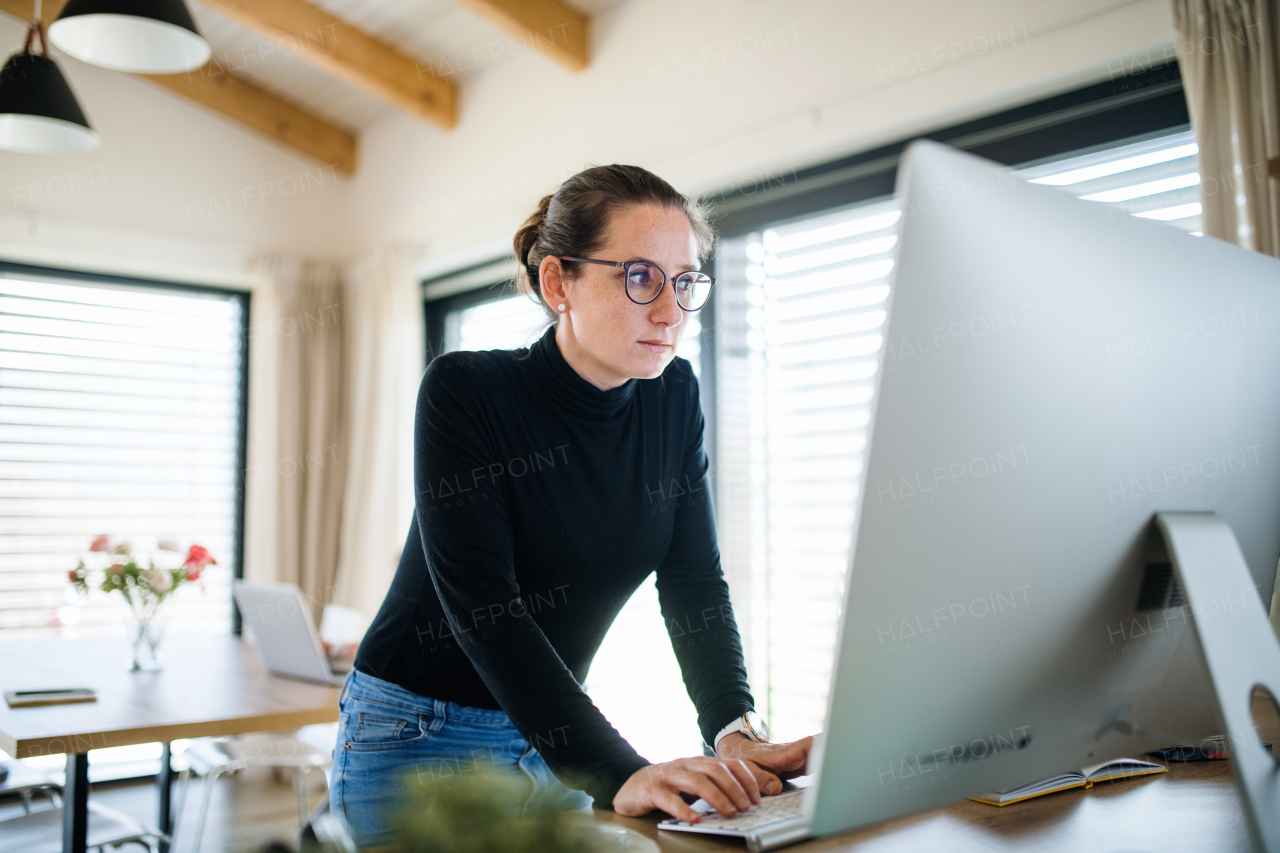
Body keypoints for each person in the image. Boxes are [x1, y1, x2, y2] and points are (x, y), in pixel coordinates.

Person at [331, 164, 813, 846]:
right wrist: (616, 769)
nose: (671, 310)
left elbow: (693, 580)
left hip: (554, 733)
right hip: (418, 735)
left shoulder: (673, 396)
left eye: (685, 280)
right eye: (641, 277)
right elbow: (485, 608)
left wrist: (734, 729)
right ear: (559, 282)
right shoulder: (467, 392)